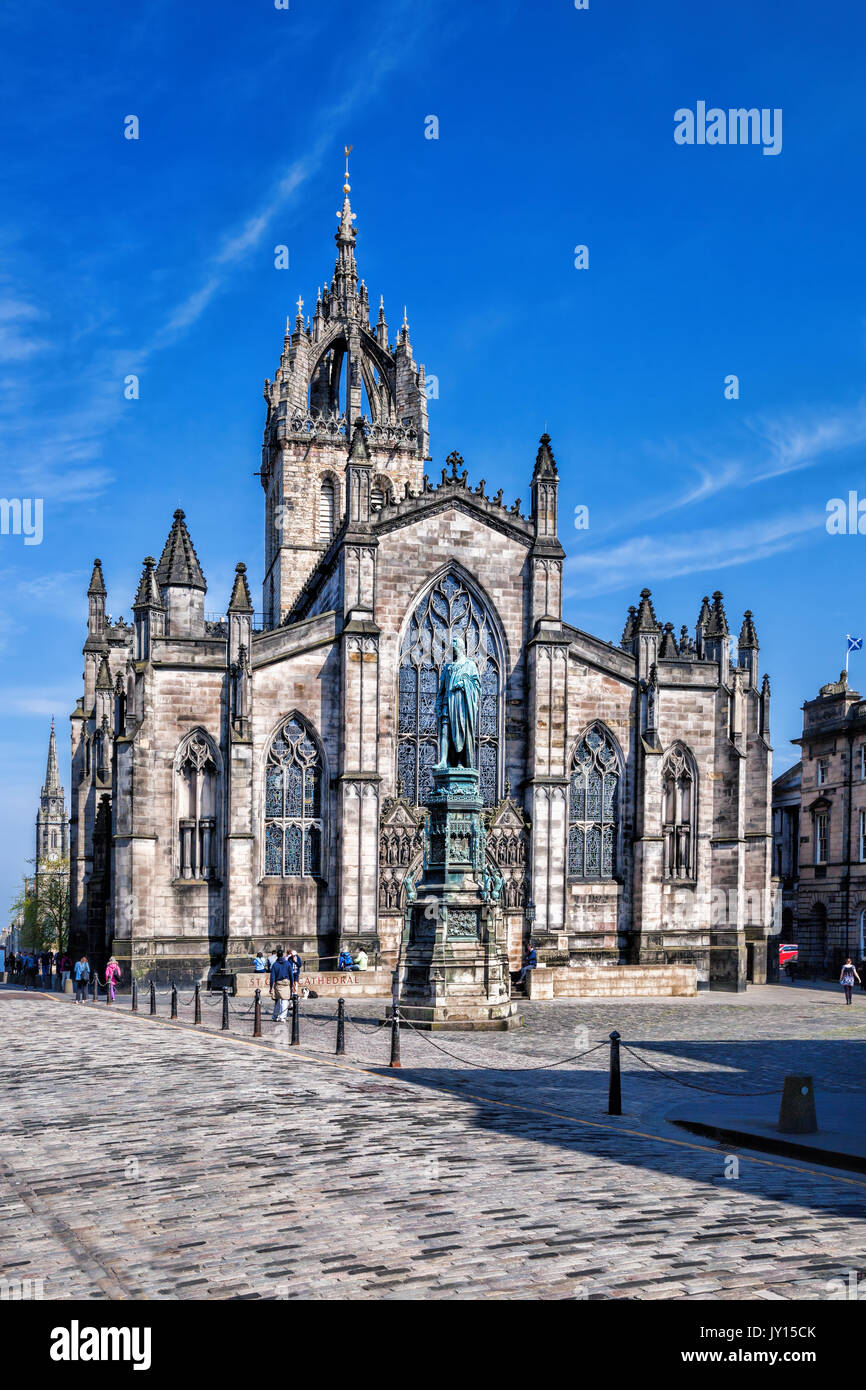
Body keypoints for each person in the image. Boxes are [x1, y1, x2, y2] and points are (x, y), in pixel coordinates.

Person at [269, 949, 292, 1022]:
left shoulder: (275, 964)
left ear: (277, 955)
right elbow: (291, 975)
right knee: (285, 1001)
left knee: (277, 1000)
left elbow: (272, 977)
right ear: (282, 955)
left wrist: (270, 987)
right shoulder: (287, 963)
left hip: (278, 983)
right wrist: (292, 985)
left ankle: (275, 1016)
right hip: (286, 983)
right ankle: (282, 1017)